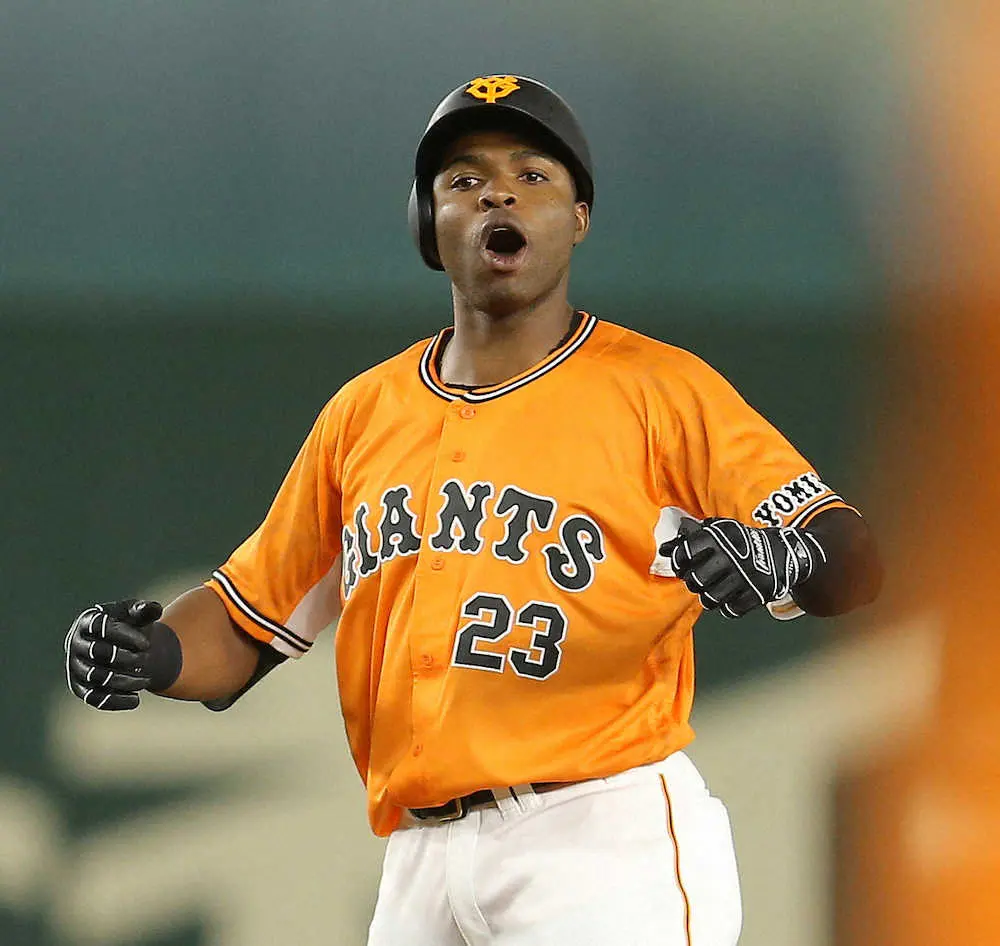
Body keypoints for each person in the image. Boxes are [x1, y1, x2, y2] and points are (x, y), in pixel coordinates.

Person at [64, 75, 881, 945]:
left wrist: (779, 559)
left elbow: (852, 558)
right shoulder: (364, 414)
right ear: (429, 224)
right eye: (464, 179)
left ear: (578, 218)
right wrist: (148, 653)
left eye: (533, 174)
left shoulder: (659, 390)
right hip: (419, 863)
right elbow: (247, 623)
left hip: (600, 840)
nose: (498, 193)